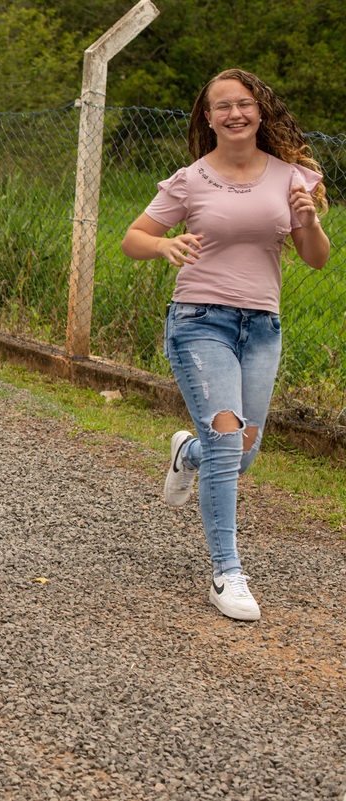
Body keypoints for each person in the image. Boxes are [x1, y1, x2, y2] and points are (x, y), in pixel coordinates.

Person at [121, 69, 330, 622]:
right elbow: (132, 239)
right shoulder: (190, 179)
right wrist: (164, 244)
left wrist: (307, 222)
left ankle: (187, 454)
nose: (235, 114)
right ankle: (227, 572)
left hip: (262, 325)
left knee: (242, 452)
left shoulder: (294, 178)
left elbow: (316, 258)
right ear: (207, 118)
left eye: (244, 104)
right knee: (227, 436)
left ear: (260, 112)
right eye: (222, 107)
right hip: (199, 321)